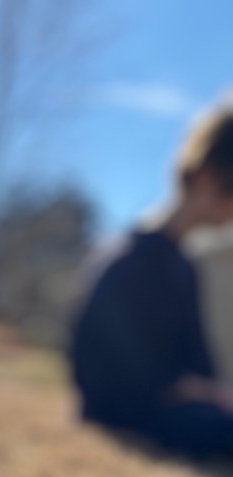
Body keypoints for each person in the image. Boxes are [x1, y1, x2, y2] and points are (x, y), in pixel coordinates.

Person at [70, 106, 233, 458]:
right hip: (129, 415)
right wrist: (189, 388)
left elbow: (200, 364)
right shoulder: (129, 260)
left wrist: (209, 390)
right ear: (207, 178)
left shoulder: (185, 268)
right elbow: (105, 374)